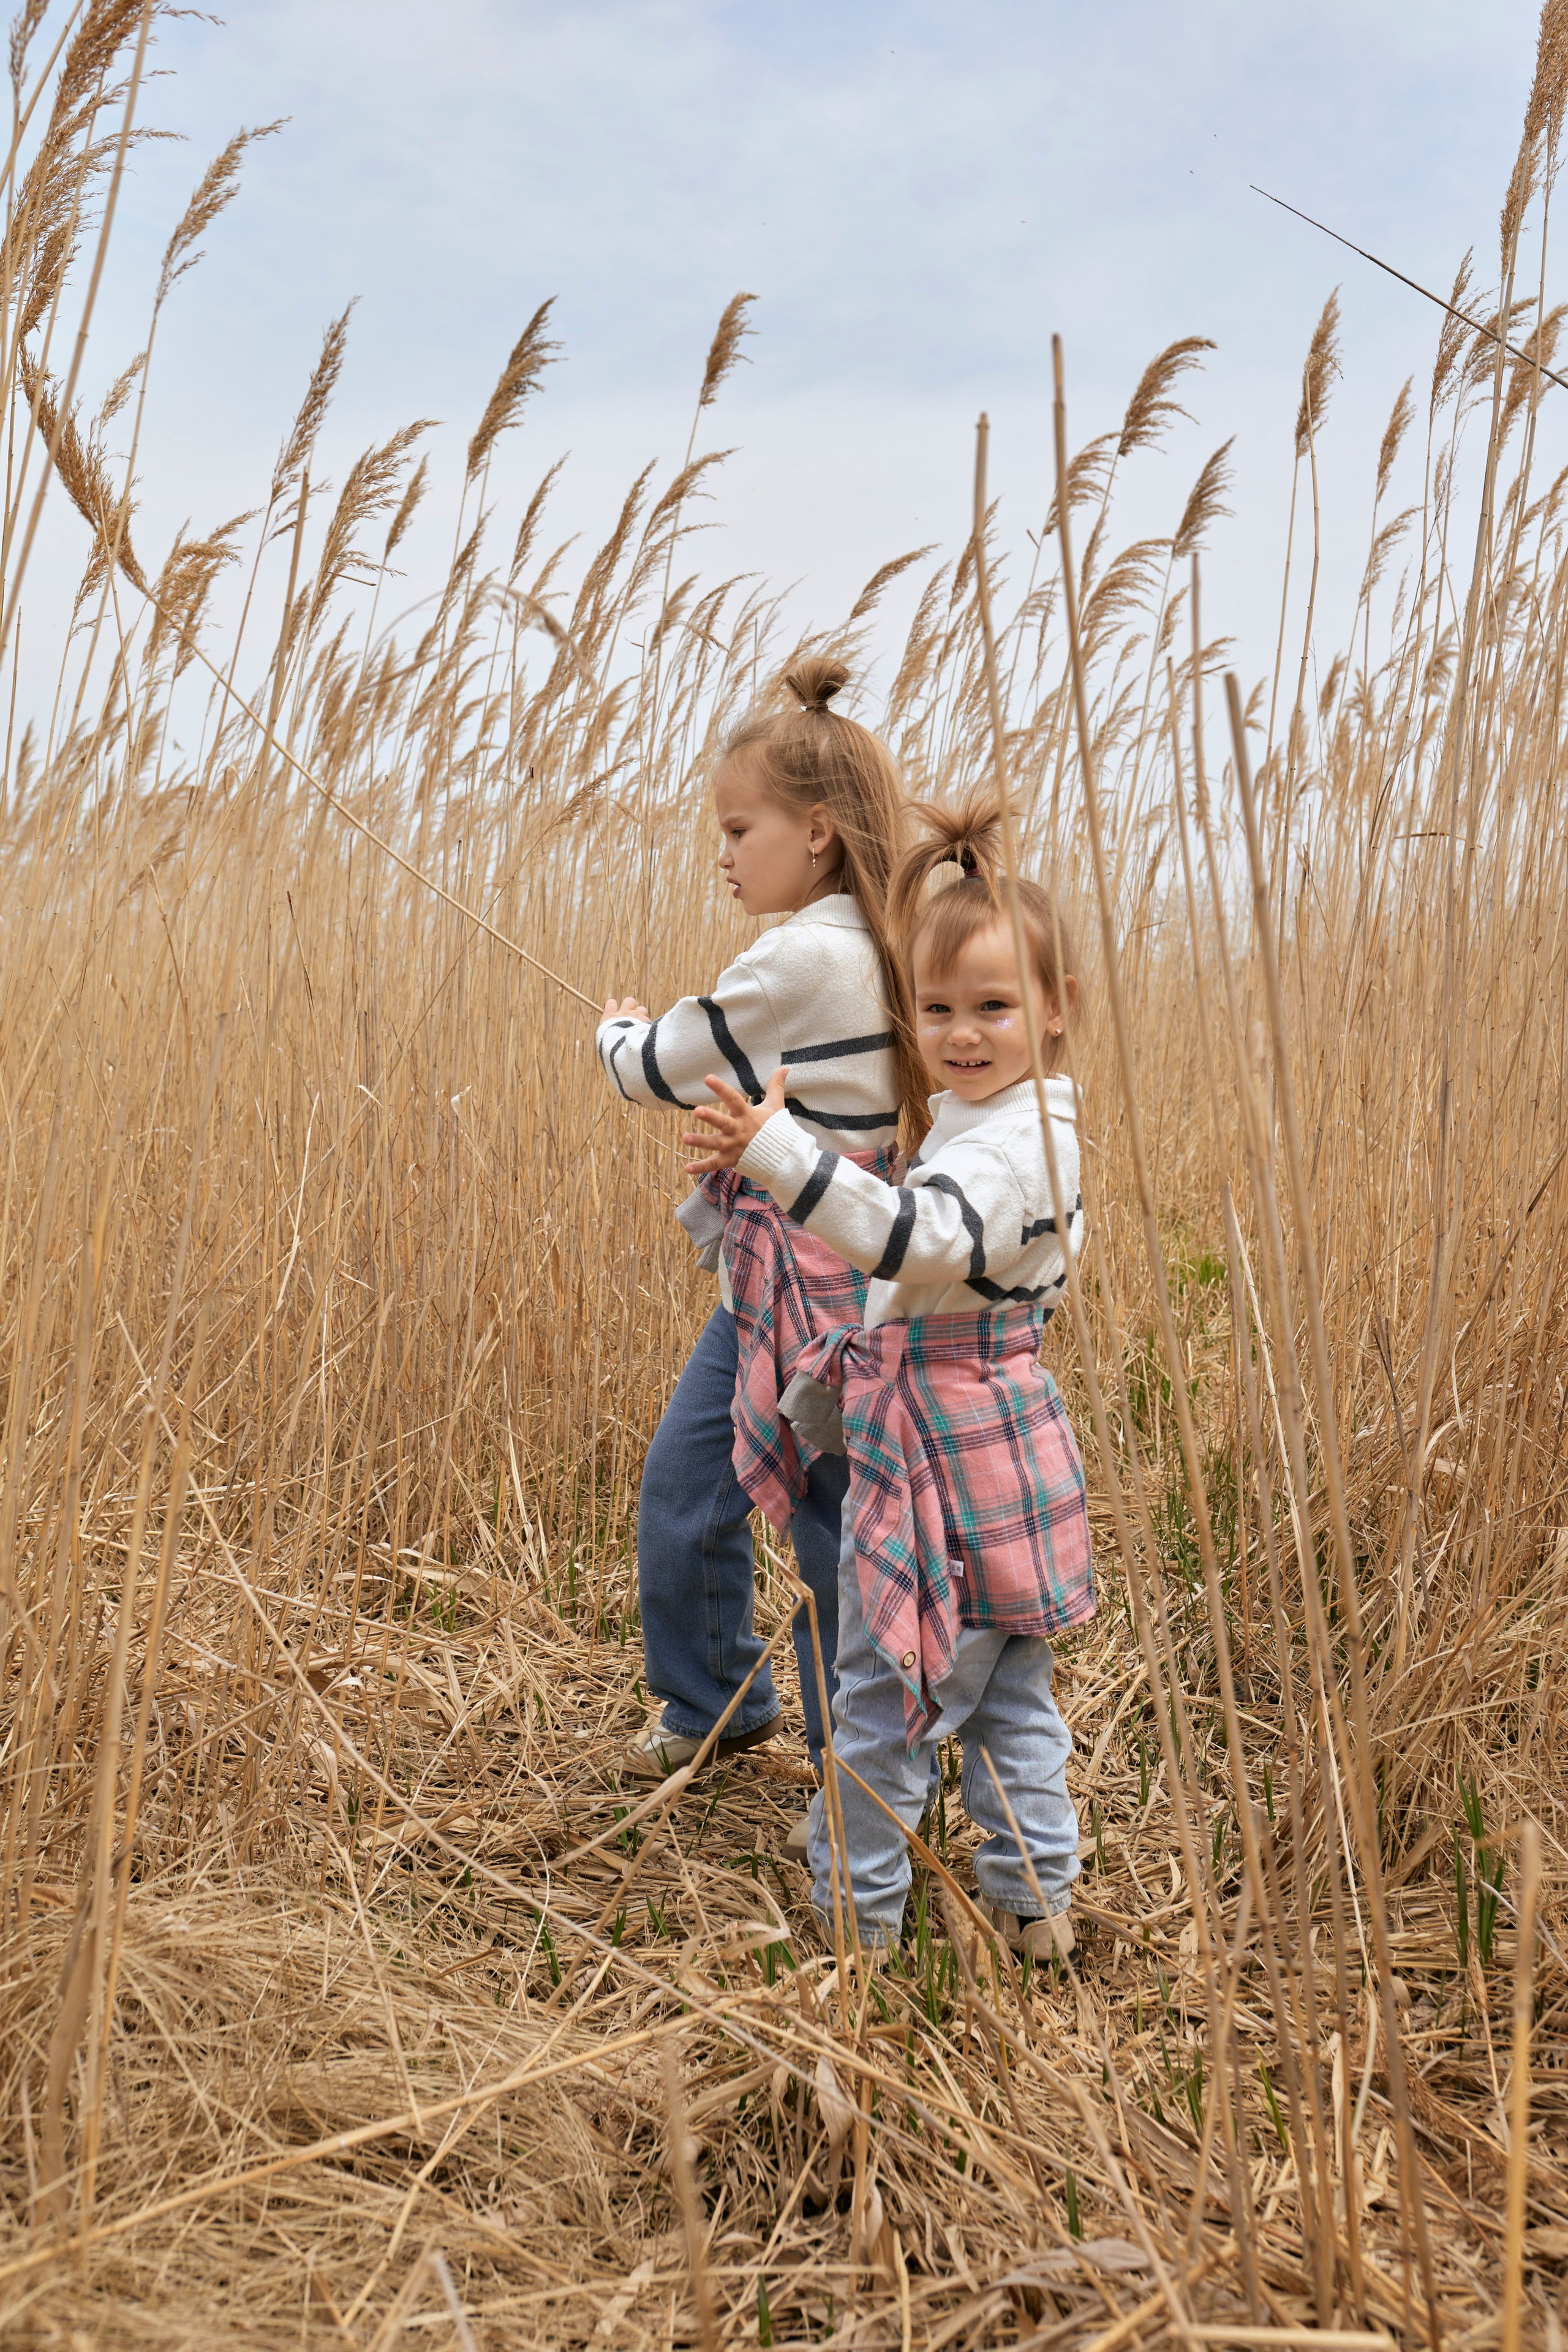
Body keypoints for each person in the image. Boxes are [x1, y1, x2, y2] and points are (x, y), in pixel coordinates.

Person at [682, 793, 1095, 1962]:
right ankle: (1031, 1900)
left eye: (997, 1008)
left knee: (881, 1698)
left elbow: (922, 1243)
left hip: (947, 1454)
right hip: (993, 1440)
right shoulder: (992, 1120)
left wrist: (780, 1150)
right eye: (940, 1010)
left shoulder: (1022, 1147)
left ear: (1057, 1011)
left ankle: (856, 1927)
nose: (964, 1034)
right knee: (1007, 1692)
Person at [596, 655, 927, 1792]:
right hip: (784, 1295)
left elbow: (657, 1070)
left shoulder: (804, 956)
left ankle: (867, 1771)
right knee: (696, 1490)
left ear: (819, 832)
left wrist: (617, 1031)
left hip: (813, 1307)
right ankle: (719, 1700)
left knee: (825, 1531)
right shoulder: (882, 938)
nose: (723, 854)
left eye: (742, 829)